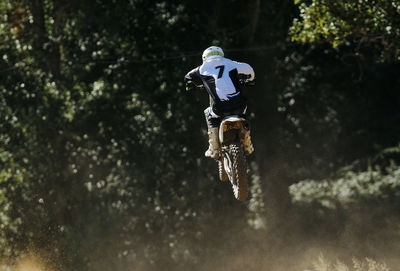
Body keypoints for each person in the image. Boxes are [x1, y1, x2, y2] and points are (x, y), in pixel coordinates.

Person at [184, 46, 255, 159]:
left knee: (209, 114)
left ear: (204, 58)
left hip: (221, 107)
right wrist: (250, 80)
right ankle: (247, 143)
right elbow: (249, 69)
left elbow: (188, 77)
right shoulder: (230, 63)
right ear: (221, 55)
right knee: (243, 113)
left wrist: (190, 86)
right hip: (239, 104)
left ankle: (214, 148)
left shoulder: (201, 69)